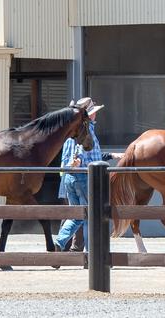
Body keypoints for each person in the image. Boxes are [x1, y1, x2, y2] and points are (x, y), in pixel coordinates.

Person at [54, 98, 123, 253]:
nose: (95, 115)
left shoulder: (70, 131)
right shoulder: (87, 130)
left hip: (70, 178)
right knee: (90, 216)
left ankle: (59, 242)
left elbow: (82, 156)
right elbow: (82, 153)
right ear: (88, 115)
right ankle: (92, 254)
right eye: (93, 112)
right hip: (84, 177)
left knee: (77, 215)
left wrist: (112, 155)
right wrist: (77, 161)